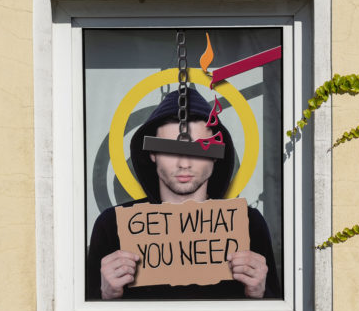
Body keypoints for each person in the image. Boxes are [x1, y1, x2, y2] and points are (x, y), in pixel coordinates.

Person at [86, 89, 281, 300]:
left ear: (216, 156)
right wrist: (105, 294)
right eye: (169, 149)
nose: (184, 163)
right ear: (152, 153)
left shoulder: (248, 225)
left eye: (200, 148)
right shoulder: (111, 227)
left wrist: (260, 292)